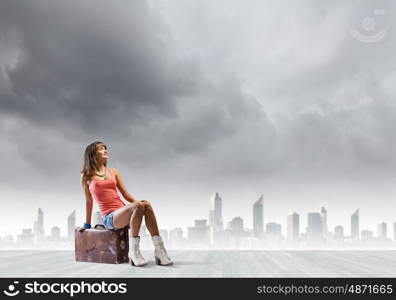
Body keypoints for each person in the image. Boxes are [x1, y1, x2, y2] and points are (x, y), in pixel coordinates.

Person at [79, 141, 173, 267]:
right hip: (110, 217)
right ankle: (134, 253)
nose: (105, 150)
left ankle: (160, 251)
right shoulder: (86, 176)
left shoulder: (113, 172)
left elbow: (125, 194)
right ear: (92, 154)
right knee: (139, 205)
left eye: (106, 148)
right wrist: (87, 224)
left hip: (124, 211)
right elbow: (89, 201)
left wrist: (140, 203)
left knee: (146, 205)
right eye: (101, 149)